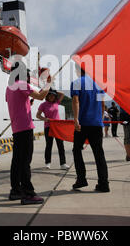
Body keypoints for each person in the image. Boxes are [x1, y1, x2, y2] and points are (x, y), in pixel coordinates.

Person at [6, 60, 52, 205]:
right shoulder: (21, 84)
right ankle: (28, 193)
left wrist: (27, 103)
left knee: (17, 161)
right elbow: (41, 96)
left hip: (16, 129)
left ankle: (15, 190)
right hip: (25, 128)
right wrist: (49, 83)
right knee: (26, 162)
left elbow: (15, 103)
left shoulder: (9, 87)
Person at [71, 64, 109, 193]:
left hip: (82, 124)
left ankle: (81, 179)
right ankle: (104, 184)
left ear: (78, 70)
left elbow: (76, 101)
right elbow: (102, 104)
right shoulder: (98, 84)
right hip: (96, 124)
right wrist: (99, 118)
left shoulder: (76, 82)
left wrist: (76, 119)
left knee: (77, 150)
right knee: (99, 154)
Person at [37, 89, 69, 170]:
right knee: (49, 145)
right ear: (47, 96)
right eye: (50, 95)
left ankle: (63, 163)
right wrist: (45, 119)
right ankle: (48, 163)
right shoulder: (43, 105)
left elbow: (62, 94)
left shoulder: (56, 103)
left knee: (60, 145)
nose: (52, 96)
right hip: (48, 127)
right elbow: (38, 115)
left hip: (58, 127)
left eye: (53, 95)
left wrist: (53, 90)